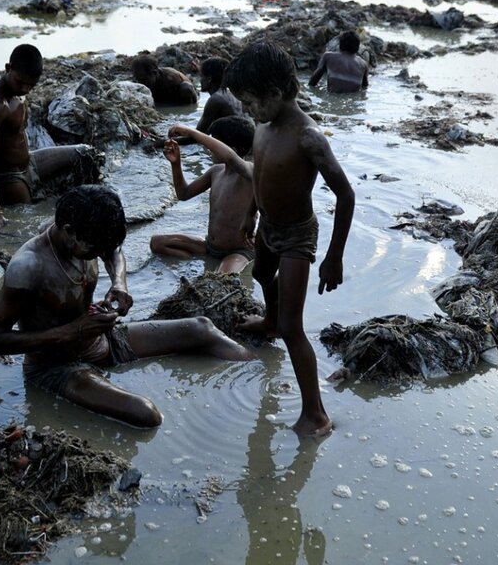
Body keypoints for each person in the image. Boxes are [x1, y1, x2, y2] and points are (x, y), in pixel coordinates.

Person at [0, 185, 254, 428]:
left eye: (104, 247)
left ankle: (257, 378)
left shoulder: (81, 229)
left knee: (201, 328)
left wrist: (119, 283)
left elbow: (113, 249)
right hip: (56, 366)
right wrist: (72, 331)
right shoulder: (27, 268)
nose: (101, 253)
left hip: (101, 338)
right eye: (94, 249)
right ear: (69, 234)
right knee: (146, 413)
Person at [224, 41, 356, 437]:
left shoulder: (308, 137)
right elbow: (259, 172)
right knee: (264, 275)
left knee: (293, 327)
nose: (246, 111)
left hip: (298, 235)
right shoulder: (263, 126)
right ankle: (268, 320)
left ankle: (316, 414)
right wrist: (251, 213)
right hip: (267, 225)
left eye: (249, 102)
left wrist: (335, 257)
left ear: (275, 94)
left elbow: (345, 194)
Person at [0, 43, 99, 229]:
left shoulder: (18, 91)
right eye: (20, 82)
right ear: (8, 69)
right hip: (10, 178)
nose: (25, 89)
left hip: (30, 163)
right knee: (28, 223)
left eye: (31, 85)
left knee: (85, 154)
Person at [150, 117, 258, 275]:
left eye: (214, 144)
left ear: (234, 148)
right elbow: (183, 194)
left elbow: (230, 157)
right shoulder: (216, 172)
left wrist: (192, 133)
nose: (208, 150)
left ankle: (215, 268)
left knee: (222, 279)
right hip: (210, 246)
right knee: (157, 243)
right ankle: (198, 265)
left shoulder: (249, 171)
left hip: (238, 252)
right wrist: (176, 164)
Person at [132, 53, 198, 106]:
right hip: (162, 101)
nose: (140, 83)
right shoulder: (141, 81)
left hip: (183, 97)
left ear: (154, 73)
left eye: (144, 79)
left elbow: (189, 90)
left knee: (186, 88)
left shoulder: (172, 79)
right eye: (138, 79)